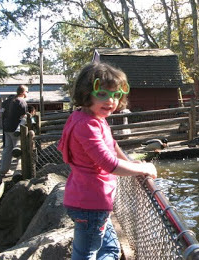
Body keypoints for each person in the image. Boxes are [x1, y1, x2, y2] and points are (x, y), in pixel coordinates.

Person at [58, 62, 157, 259]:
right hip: (90, 205)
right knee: (86, 254)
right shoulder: (87, 126)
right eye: (102, 94)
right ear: (86, 94)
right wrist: (144, 168)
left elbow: (111, 144)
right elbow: (109, 165)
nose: (111, 101)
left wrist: (129, 161)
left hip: (91, 202)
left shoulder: (89, 117)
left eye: (116, 95)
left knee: (110, 249)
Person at [0, 85, 28, 177]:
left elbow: (3, 114)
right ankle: (20, 171)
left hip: (6, 128)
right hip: (16, 129)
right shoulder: (22, 102)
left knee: (7, 149)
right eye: (27, 92)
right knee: (19, 149)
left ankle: (4, 170)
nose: (27, 93)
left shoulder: (7, 101)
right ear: (23, 92)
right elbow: (23, 116)